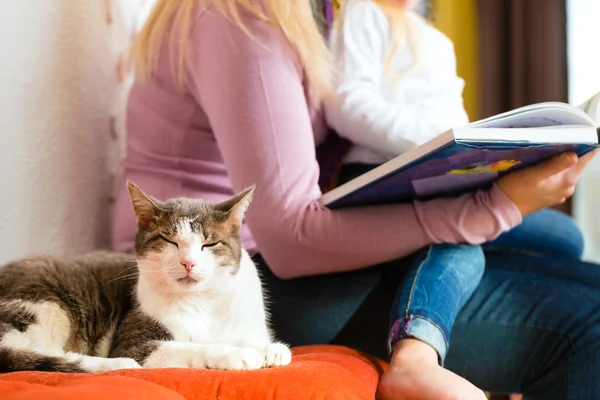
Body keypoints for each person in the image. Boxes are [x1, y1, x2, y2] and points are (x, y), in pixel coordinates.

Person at [111, 1, 600, 399]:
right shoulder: (239, 20)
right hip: (216, 281)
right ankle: (416, 357)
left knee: (569, 254)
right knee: (589, 321)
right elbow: (292, 238)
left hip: (263, 262)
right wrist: (491, 208)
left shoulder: (311, 17)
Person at [323, 2, 586, 397]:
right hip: (389, 173)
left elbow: (454, 119)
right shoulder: (364, 14)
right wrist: (439, 142)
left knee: (565, 236)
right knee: (461, 240)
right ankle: (415, 354)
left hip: (451, 173)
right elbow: (349, 107)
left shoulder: (436, 39)